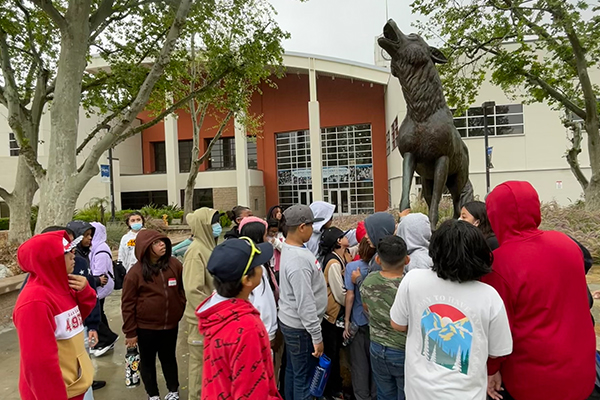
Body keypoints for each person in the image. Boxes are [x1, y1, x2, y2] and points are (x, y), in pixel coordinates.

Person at [481, 181, 595, 400]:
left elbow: (499, 328)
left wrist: (491, 368)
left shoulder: (499, 264)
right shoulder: (567, 244)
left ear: (494, 215)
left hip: (533, 379)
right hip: (581, 368)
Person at [390, 219, 513, 400]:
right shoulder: (489, 296)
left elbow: (398, 324)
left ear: (435, 249)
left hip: (419, 392)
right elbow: (497, 350)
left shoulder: (413, 279)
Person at [14, 230, 97, 400]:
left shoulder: (61, 285)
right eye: (67, 253)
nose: (74, 256)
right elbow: (38, 363)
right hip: (58, 392)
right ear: (50, 259)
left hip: (74, 384)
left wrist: (84, 292)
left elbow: (77, 319)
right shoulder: (35, 301)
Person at [197, 238, 281, 399]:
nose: (261, 267)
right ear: (247, 280)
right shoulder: (247, 328)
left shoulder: (216, 311)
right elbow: (251, 392)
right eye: (257, 265)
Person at [121, 229, 185, 400]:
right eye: (156, 243)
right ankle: (153, 394)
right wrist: (130, 332)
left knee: (169, 359)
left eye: (163, 241)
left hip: (170, 325)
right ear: (146, 247)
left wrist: (178, 310)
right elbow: (127, 304)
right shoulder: (135, 273)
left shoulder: (175, 265)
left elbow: (181, 291)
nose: (162, 244)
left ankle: (173, 390)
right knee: (147, 363)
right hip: (145, 328)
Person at [278, 204, 327, 400]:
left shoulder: (291, 247)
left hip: (292, 322)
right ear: (301, 227)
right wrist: (317, 336)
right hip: (301, 328)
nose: (313, 230)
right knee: (304, 379)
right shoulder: (298, 260)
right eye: (310, 226)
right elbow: (305, 303)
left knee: (294, 371)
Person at [359, 236, 410, 400]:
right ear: (407, 259)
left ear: (378, 259)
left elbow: (366, 308)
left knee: (384, 393)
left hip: (377, 347)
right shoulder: (409, 284)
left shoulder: (368, 281)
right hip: (402, 349)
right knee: (405, 393)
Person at [182, 207, 219, 400]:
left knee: (209, 366)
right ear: (203, 226)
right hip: (201, 320)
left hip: (213, 318)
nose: (218, 227)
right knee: (198, 367)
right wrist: (212, 312)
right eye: (214, 223)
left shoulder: (209, 246)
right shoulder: (195, 251)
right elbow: (192, 289)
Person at [319, 227, 351, 399]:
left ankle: (333, 388)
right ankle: (331, 390)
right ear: (338, 241)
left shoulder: (341, 257)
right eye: (343, 236)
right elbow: (340, 294)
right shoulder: (333, 263)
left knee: (334, 352)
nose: (347, 238)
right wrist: (352, 302)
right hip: (331, 316)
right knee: (332, 354)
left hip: (333, 315)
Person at [344, 238, 377, 400]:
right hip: (376, 324)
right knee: (376, 366)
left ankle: (362, 396)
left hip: (358, 322)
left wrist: (346, 322)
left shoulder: (352, 267)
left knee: (359, 366)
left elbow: (350, 296)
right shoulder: (379, 268)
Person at [239, 216, 279, 341]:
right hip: (260, 334)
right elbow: (263, 305)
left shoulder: (242, 261)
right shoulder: (257, 271)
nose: (267, 239)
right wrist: (270, 334)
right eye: (265, 235)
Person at [89, 222, 119, 355]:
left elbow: (100, 272)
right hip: (98, 285)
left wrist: (92, 282)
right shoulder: (95, 247)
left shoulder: (100, 249)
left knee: (95, 312)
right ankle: (105, 339)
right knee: (99, 311)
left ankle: (107, 338)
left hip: (100, 286)